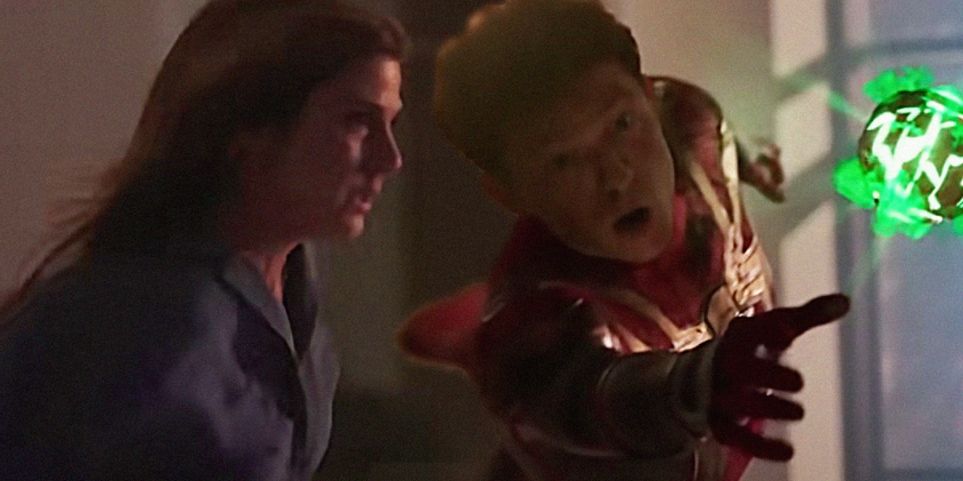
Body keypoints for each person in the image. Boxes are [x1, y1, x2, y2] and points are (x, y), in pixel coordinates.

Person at [398, 1, 848, 480]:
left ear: (649, 98)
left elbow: (694, 119)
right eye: (564, 161)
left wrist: (751, 162)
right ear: (511, 193)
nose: (616, 175)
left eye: (622, 125)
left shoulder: (690, 120)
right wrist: (692, 387)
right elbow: (597, 395)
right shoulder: (535, 323)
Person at [0, 1, 408, 480]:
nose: (390, 159)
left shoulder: (298, 321)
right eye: (356, 121)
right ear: (249, 129)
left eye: (391, 123)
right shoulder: (133, 327)